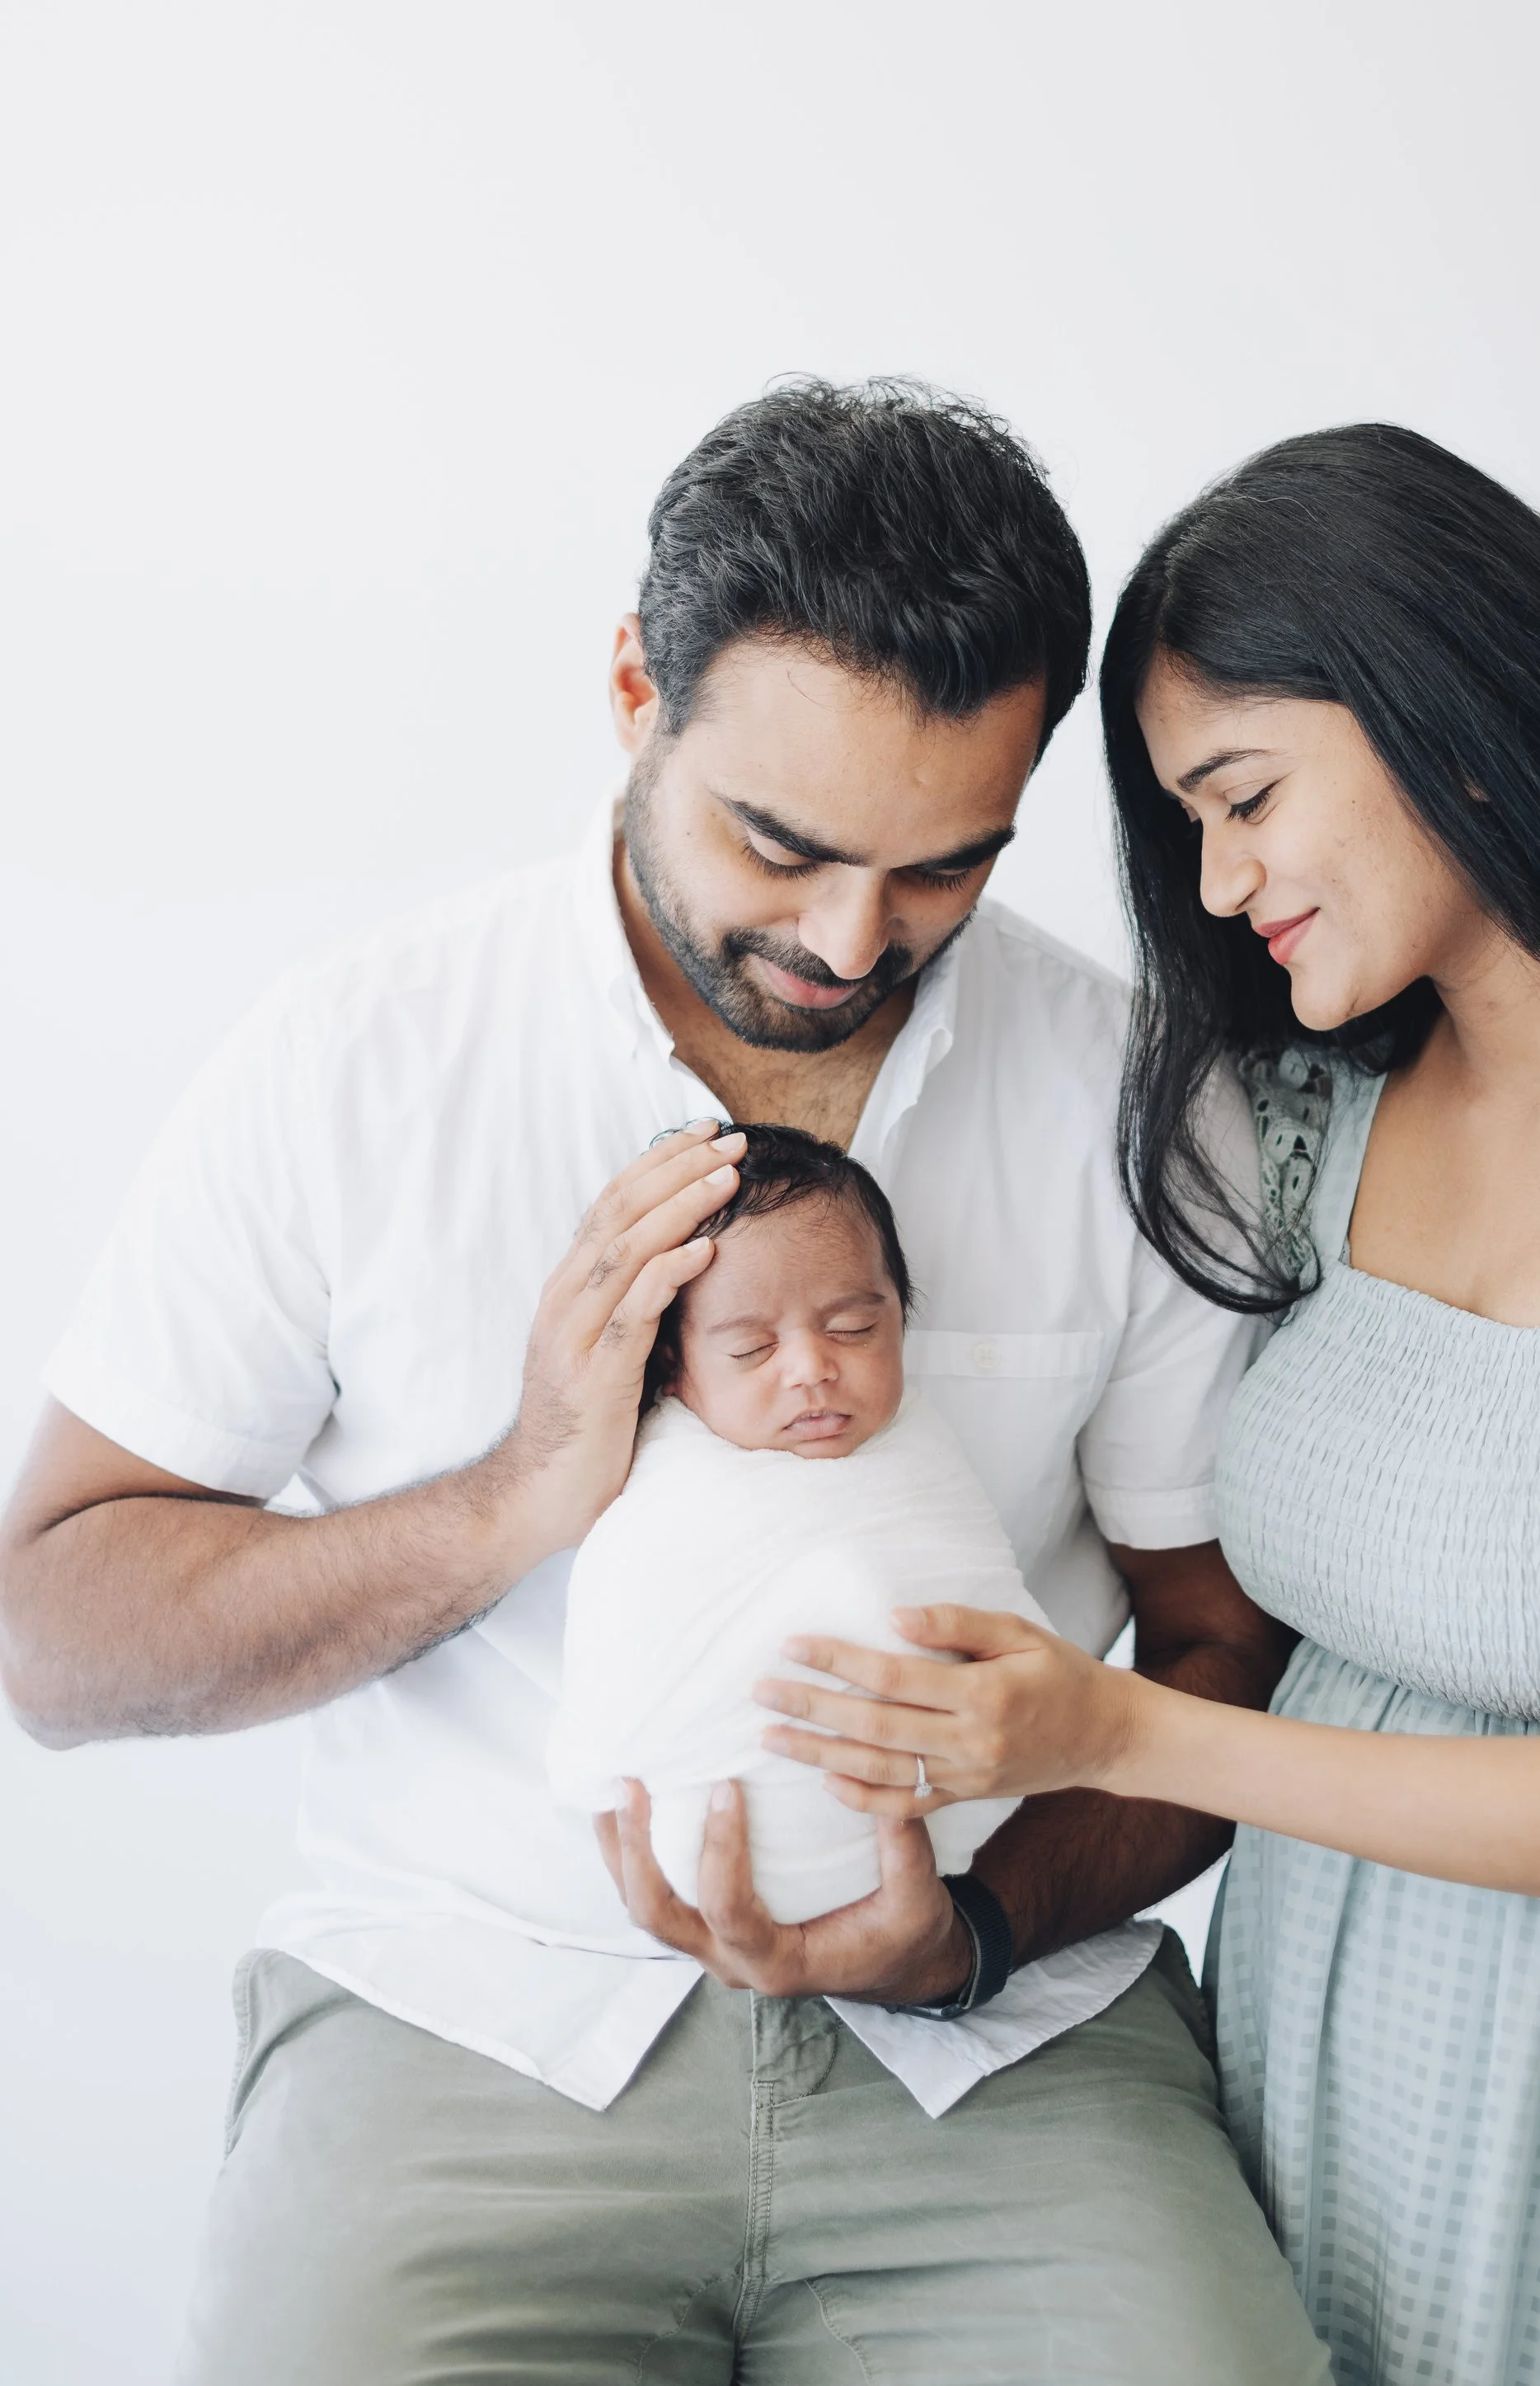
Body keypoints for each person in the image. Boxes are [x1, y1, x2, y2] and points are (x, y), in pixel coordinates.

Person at [0, 383, 1331, 2384]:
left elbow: (1225, 1656)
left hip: (1007, 2041)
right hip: (465, 2016)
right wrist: (514, 1493)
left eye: (941, 869)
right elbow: (54, 1636)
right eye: (776, 841)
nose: (841, 937)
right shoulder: (354, 1060)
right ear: (636, 686)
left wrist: (968, 1933)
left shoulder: (1132, 1102)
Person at [752, 425, 1540, 2386]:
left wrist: (1122, 1726)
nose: (1216, 876)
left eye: (1245, 796)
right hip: (1327, 2044)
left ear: (1452, 714)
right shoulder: (1309, 1120)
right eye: (1187, 820)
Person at [548, 1120, 1045, 1925]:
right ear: (671, 1366)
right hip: (696, 1853)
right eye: (749, 1347)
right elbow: (625, 1663)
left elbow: (1003, 1634)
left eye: (854, 1328)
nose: (812, 1366)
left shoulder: (921, 1452)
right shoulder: (660, 1483)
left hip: (957, 1875)